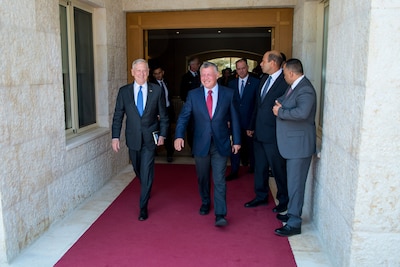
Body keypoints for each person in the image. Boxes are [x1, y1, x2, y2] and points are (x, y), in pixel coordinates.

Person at [174, 62, 241, 227]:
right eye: (203, 75)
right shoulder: (193, 95)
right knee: (203, 177)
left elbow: (235, 118)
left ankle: (220, 214)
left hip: (221, 143)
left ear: (217, 75)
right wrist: (178, 135)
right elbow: (184, 117)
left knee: (219, 179)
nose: (205, 78)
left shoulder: (228, 93)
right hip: (201, 143)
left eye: (209, 75)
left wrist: (237, 140)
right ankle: (205, 201)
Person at [111, 59, 169, 221]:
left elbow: (164, 115)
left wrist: (163, 135)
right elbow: (118, 116)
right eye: (138, 71)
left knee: (147, 169)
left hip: (150, 138)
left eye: (144, 71)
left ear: (148, 72)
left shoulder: (156, 90)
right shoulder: (124, 92)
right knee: (138, 168)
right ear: (132, 72)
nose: (141, 74)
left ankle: (143, 207)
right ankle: (146, 183)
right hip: (133, 138)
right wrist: (115, 136)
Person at [272, 58, 316, 237]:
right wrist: (280, 106)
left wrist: (281, 111)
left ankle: (294, 223)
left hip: (299, 146)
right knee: (292, 183)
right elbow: (280, 100)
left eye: (284, 74)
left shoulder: (305, 89)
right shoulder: (295, 87)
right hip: (292, 145)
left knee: (296, 185)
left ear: (291, 73)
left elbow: (302, 113)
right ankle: (291, 213)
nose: (283, 76)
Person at [244, 51, 289, 216]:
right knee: (260, 167)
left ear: (273, 63)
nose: (261, 64)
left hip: (275, 134)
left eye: (263, 61)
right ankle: (261, 195)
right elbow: (258, 106)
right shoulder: (263, 80)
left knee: (278, 169)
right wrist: (251, 125)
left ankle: (283, 200)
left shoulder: (285, 81)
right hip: (259, 133)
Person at [226, 59, 259, 180]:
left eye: (243, 68)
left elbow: (257, 105)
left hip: (250, 122)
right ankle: (234, 171)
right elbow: (229, 104)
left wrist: (252, 125)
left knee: (251, 147)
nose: (241, 71)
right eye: (238, 68)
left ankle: (253, 169)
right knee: (235, 147)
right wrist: (229, 119)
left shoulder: (256, 83)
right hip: (235, 123)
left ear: (247, 67)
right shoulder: (231, 84)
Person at [150, 66, 175, 162]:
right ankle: (154, 151)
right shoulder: (151, 85)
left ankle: (169, 153)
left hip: (167, 110)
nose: (158, 75)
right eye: (155, 74)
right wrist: (156, 113)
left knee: (167, 133)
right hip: (157, 113)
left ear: (163, 72)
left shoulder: (166, 82)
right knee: (156, 132)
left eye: (159, 73)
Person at [179, 57, 201, 151]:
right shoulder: (185, 77)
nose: (199, 65)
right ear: (192, 65)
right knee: (191, 128)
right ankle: (193, 148)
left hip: (201, 108)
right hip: (190, 107)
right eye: (197, 63)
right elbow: (183, 93)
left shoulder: (201, 75)